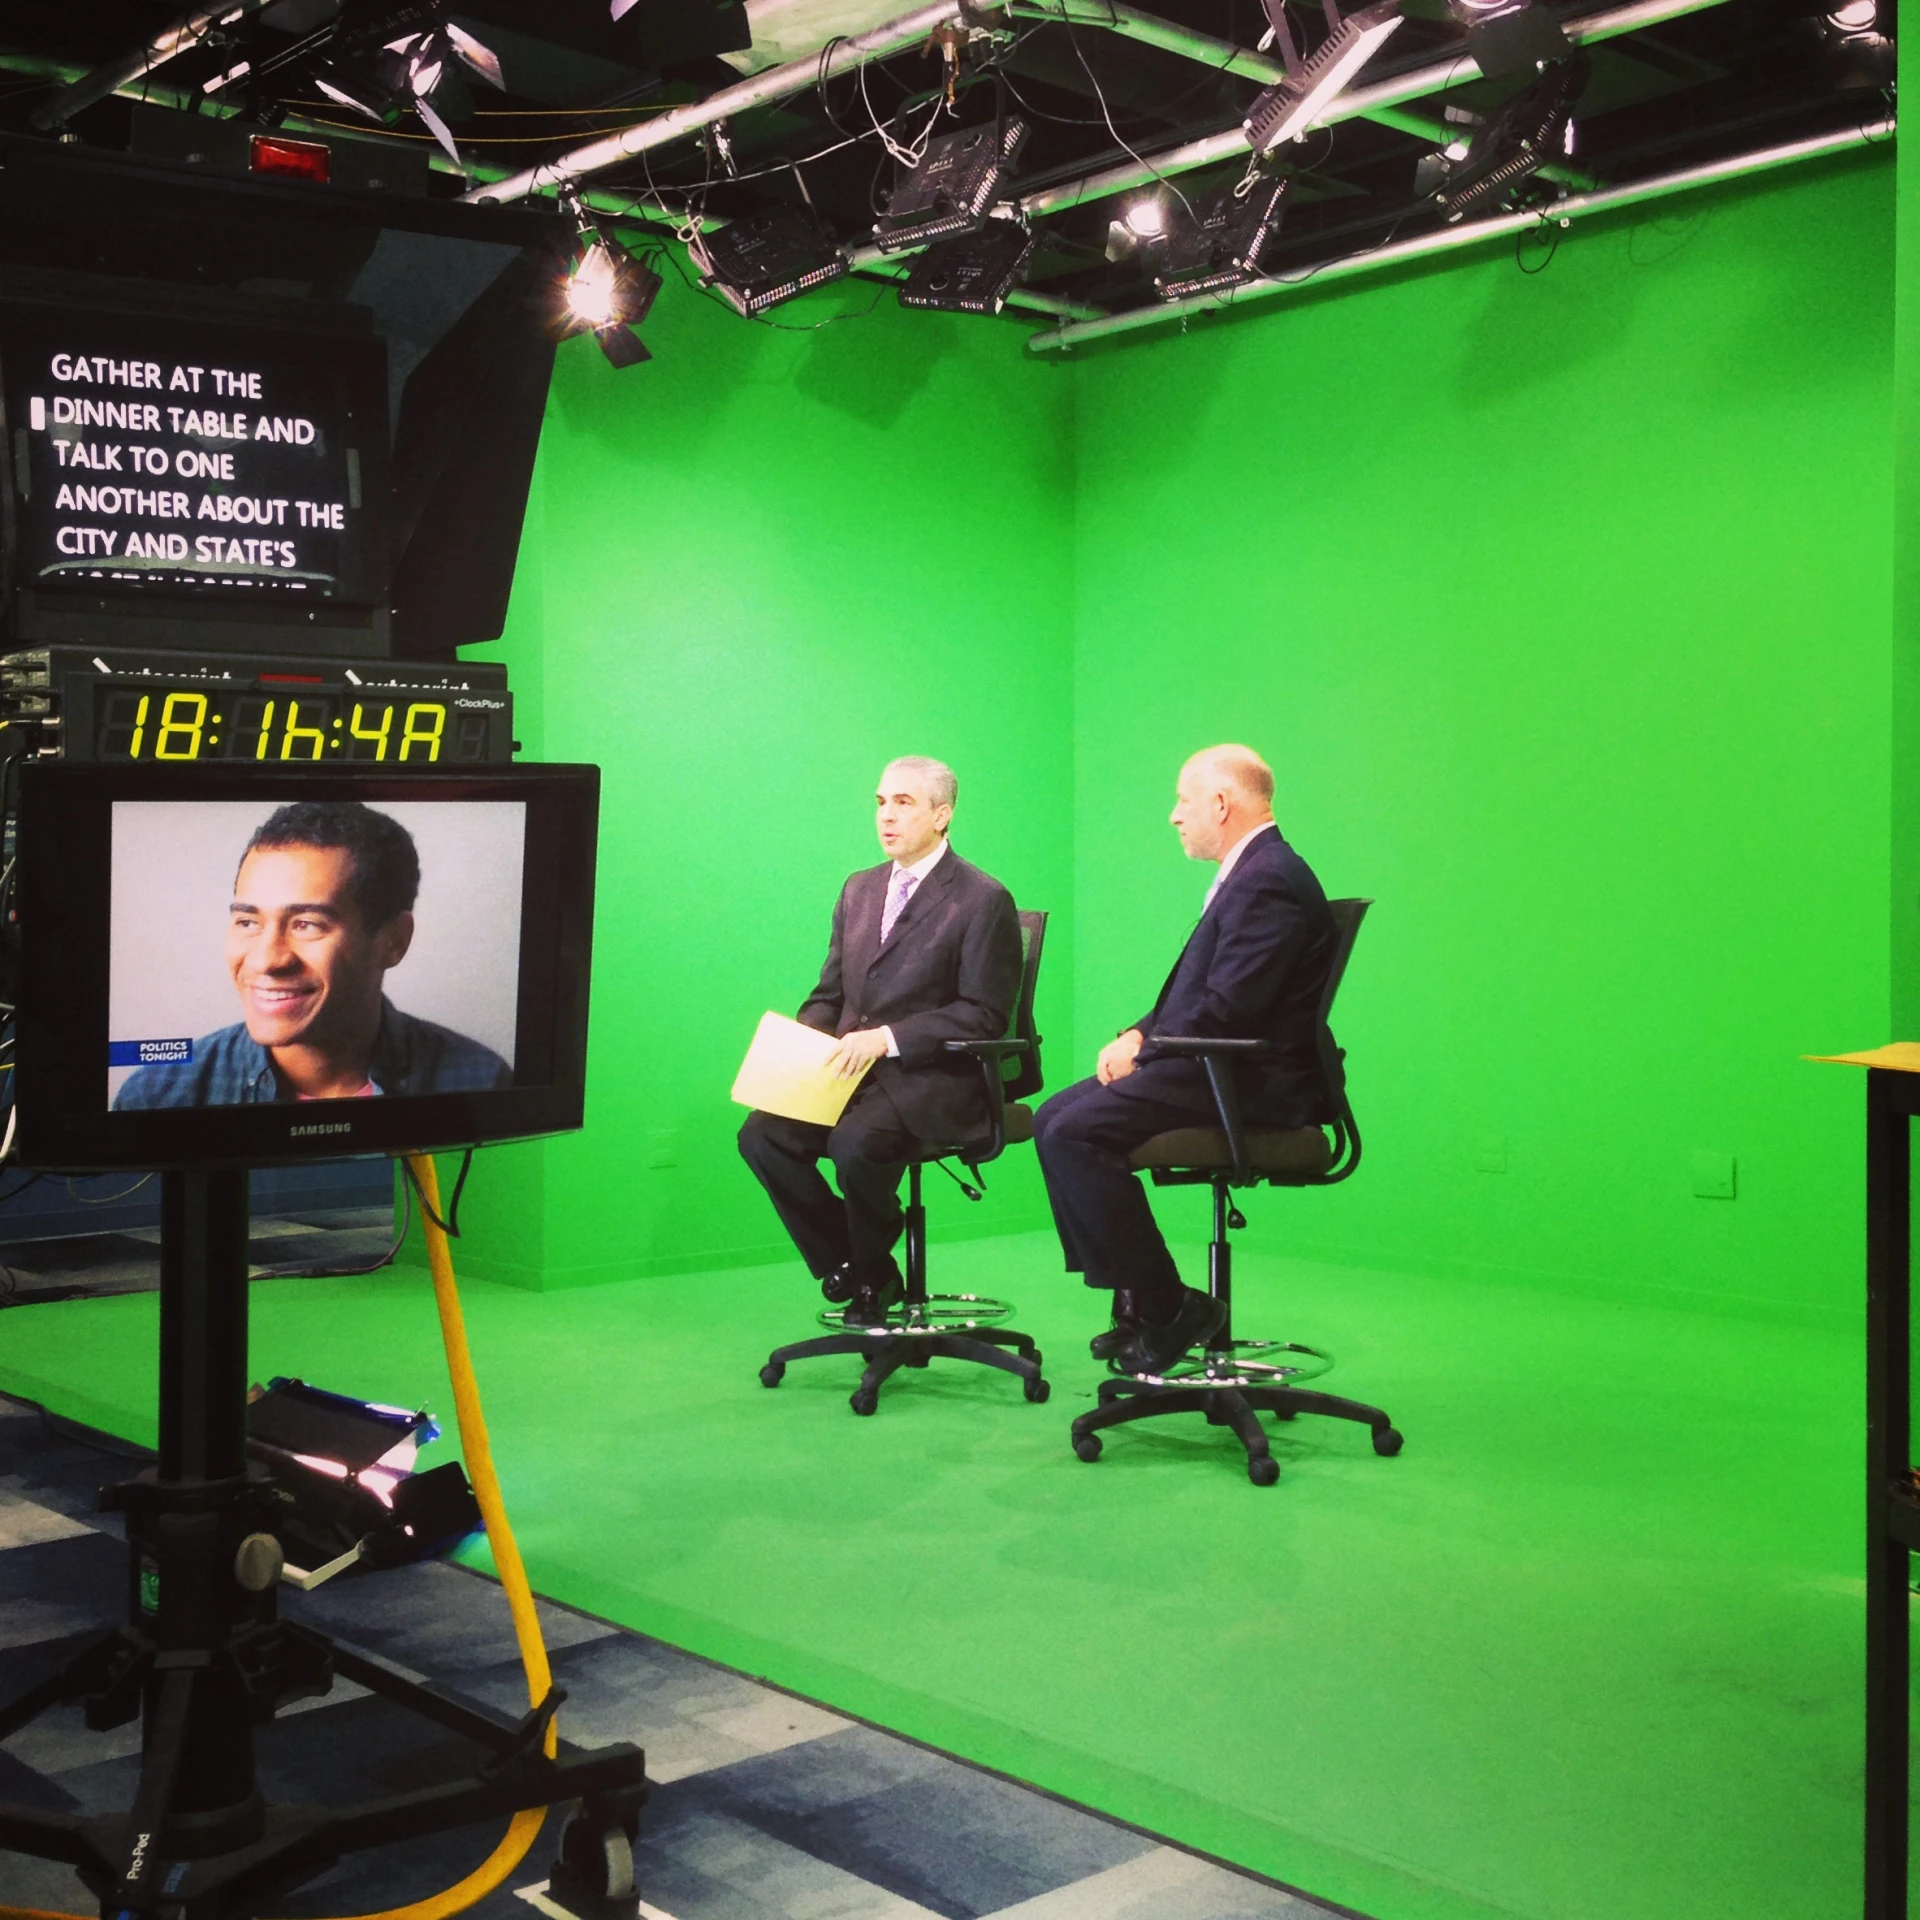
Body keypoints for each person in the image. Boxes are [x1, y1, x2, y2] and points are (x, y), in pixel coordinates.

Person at [1031, 745, 1338, 1376]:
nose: (1175, 816)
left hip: (1245, 1081)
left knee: (1071, 1131)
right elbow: (1198, 996)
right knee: (1052, 1117)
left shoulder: (1269, 879)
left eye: (1183, 800)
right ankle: (1143, 1302)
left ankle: (1169, 1308)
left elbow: (1230, 1010)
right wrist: (1138, 1033)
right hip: (1210, 1065)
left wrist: (1144, 1046)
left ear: (1221, 804)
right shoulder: (1252, 872)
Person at [738, 757, 1022, 1327]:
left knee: (854, 1145)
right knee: (763, 1134)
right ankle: (854, 1257)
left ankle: (870, 1270)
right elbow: (829, 993)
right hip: (850, 1071)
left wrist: (887, 1038)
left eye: (904, 803)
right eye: (881, 803)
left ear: (943, 816)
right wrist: (801, 1046)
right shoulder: (859, 889)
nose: (886, 816)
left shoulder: (982, 898)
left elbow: (985, 1015)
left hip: (934, 1077)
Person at [114, 801, 511, 1108]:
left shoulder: (480, 1081)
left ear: (394, 941)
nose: (266, 960)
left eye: (307, 924)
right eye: (248, 922)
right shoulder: (159, 1093)